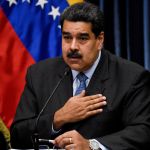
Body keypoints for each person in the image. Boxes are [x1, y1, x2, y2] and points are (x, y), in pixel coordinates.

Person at [10, 2, 150, 150]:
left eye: (82, 38)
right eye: (67, 37)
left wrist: (92, 145)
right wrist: (58, 118)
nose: (73, 47)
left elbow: (143, 132)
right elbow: (18, 135)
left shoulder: (132, 77)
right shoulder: (39, 73)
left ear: (99, 40)